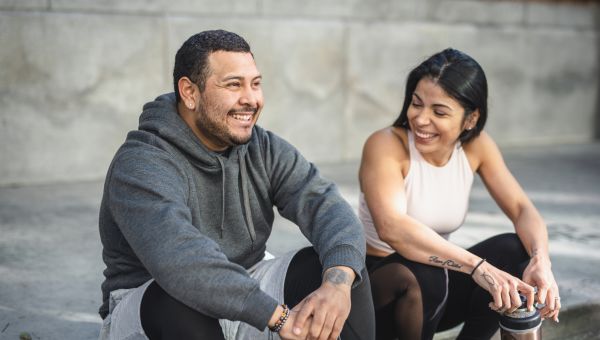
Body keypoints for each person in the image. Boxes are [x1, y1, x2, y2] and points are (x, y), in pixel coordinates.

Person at [98, 29, 374, 340]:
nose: (251, 99)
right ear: (189, 92)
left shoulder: (263, 147)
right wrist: (277, 316)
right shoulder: (142, 162)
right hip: (153, 307)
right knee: (179, 300)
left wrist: (337, 283)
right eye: (233, 85)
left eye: (255, 84)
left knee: (337, 268)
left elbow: (327, 206)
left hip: (249, 285)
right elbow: (181, 262)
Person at [358, 48, 560, 339]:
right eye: (416, 104)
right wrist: (476, 266)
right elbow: (392, 227)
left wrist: (542, 261)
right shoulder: (386, 144)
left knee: (516, 251)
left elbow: (521, 208)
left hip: (436, 294)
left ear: (470, 119)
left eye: (439, 112)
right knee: (428, 270)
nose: (421, 119)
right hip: (380, 292)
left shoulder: (476, 147)